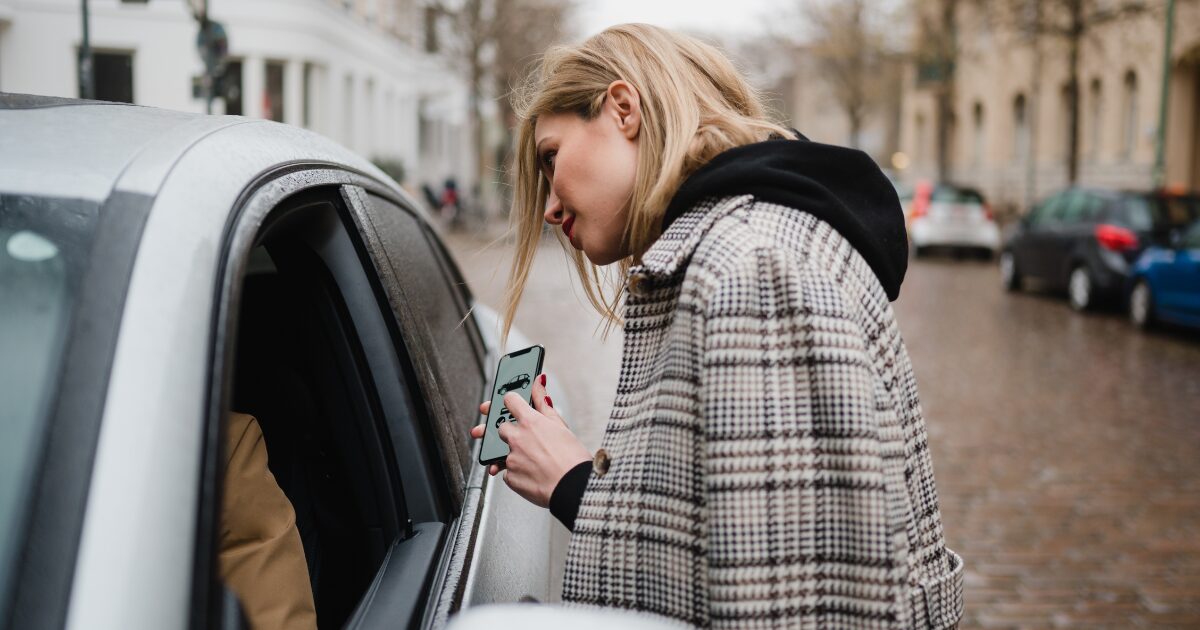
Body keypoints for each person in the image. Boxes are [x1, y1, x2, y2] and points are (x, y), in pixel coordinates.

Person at [468, 23, 964, 629]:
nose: (548, 207)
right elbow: (726, 535)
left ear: (623, 109)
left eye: (552, 157)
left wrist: (573, 483)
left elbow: (785, 601)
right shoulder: (736, 252)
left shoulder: (750, 268)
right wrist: (573, 476)